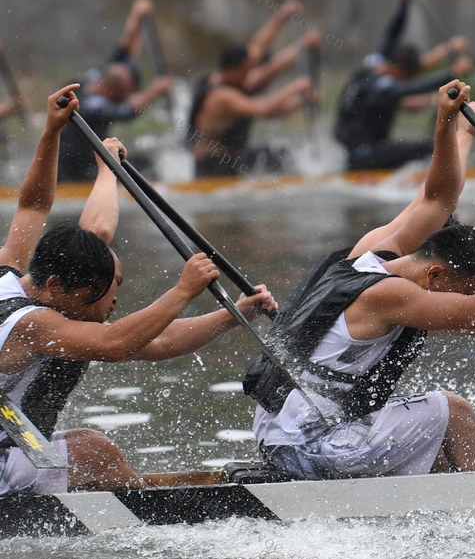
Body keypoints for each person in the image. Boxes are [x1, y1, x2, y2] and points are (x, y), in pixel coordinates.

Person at [248, 80, 475, 479]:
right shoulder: (391, 295)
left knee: (433, 440)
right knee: (451, 409)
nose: (454, 303)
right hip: (307, 445)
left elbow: (436, 201)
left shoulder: (371, 254)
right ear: (435, 273)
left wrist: (456, 129)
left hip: (286, 434)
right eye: (458, 291)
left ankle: (461, 492)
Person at [0, 84, 277, 496]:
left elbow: (34, 207)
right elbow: (116, 342)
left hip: (12, 440)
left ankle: (136, 497)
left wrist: (62, 140)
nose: (112, 302)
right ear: (57, 287)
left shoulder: (21, 276)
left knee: (87, 448)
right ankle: (160, 522)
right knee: (95, 451)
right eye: (103, 292)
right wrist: (183, 290)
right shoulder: (35, 325)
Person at [334, 0, 473, 171]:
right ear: (399, 70)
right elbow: (413, 88)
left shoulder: (375, 63)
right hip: (365, 156)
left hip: (354, 152)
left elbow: (392, 35)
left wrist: (404, 3)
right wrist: (451, 73)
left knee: (416, 146)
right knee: (429, 147)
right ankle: (444, 175)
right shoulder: (383, 86)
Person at [188, 0, 319, 177]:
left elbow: (258, 46)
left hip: (229, 158)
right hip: (213, 168)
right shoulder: (222, 96)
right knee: (278, 157)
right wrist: (296, 86)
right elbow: (264, 109)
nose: (252, 71)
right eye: (247, 68)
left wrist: (282, 16)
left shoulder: (233, 79)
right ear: (233, 70)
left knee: (279, 153)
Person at [58, 0, 173, 183]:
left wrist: (137, 14)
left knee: (144, 162)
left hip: (88, 161)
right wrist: (156, 90)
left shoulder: (97, 78)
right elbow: (129, 110)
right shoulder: (93, 107)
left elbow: (125, 49)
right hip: (76, 171)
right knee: (141, 166)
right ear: (117, 95)